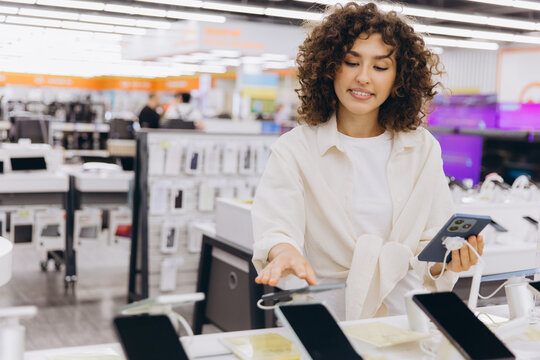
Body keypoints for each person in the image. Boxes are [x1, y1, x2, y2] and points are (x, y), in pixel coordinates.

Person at [251, 2, 484, 321]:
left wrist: (449, 258)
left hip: (403, 315)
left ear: (398, 77)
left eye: (380, 66)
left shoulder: (421, 148)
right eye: (351, 62)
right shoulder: (296, 148)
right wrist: (284, 252)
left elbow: (431, 240)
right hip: (325, 313)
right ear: (331, 66)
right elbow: (276, 226)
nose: (363, 77)